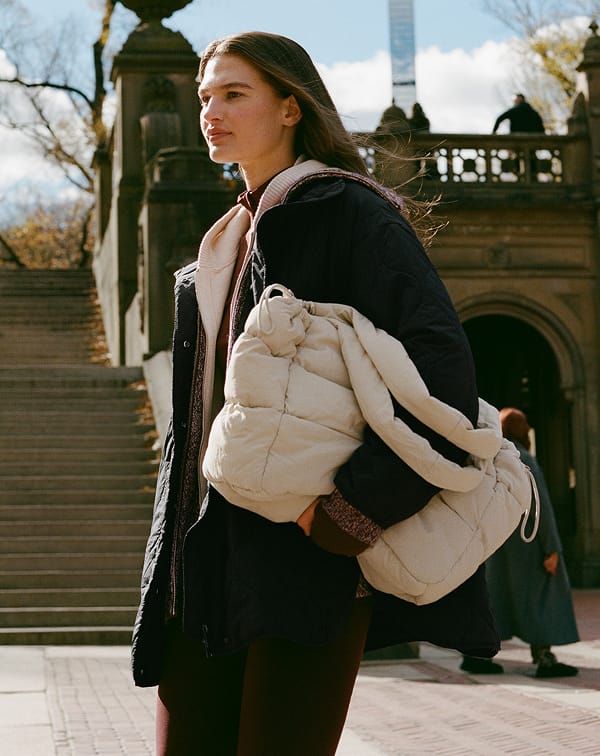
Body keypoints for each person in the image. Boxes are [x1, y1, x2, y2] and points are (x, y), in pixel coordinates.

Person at [131, 31, 500, 756]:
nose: (211, 112)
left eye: (234, 94)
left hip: (305, 565)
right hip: (202, 561)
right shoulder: (217, 249)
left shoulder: (350, 212)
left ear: (291, 107)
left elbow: (444, 375)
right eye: (205, 97)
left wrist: (345, 515)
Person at [461, 407, 579, 678]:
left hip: (497, 544)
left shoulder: (489, 457)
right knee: (542, 597)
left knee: (495, 599)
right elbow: (539, 506)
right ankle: (545, 658)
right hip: (528, 544)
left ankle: (477, 655)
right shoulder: (523, 458)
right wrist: (552, 548)